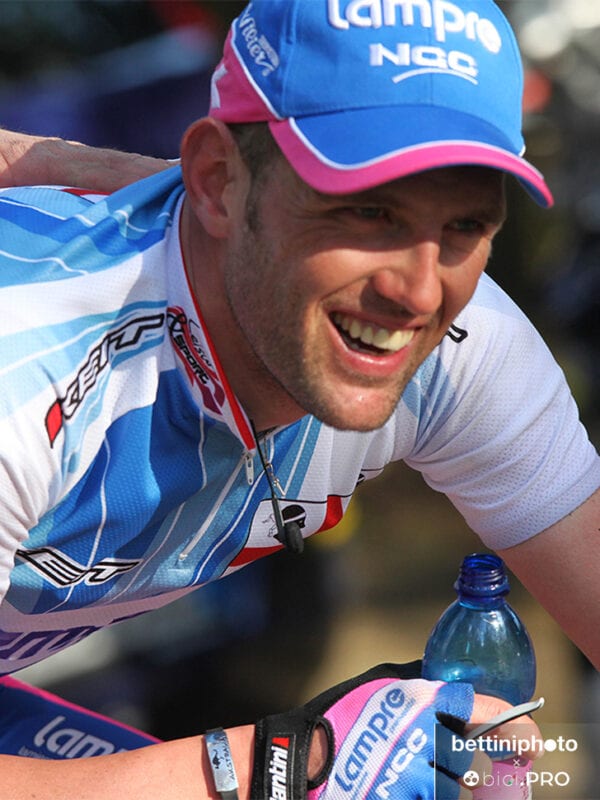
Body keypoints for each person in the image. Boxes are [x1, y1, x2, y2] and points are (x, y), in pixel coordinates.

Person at [0, 0, 597, 797]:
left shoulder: (465, 344)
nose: (419, 293)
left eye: (464, 226)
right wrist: (279, 769)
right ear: (217, 182)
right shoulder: (25, 368)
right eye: (368, 211)